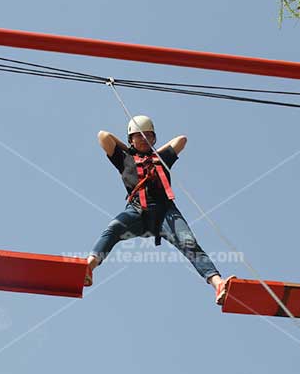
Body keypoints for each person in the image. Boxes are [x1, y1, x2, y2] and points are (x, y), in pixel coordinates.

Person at [85, 114, 234, 305]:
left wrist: (154, 155)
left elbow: (181, 140)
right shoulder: (124, 159)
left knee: (188, 242)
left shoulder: (161, 159)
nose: (144, 139)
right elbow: (103, 136)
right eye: (139, 136)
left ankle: (218, 283)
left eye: (148, 136)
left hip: (166, 212)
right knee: (113, 228)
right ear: (131, 139)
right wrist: (130, 150)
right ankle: (89, 267)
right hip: (137, 209)